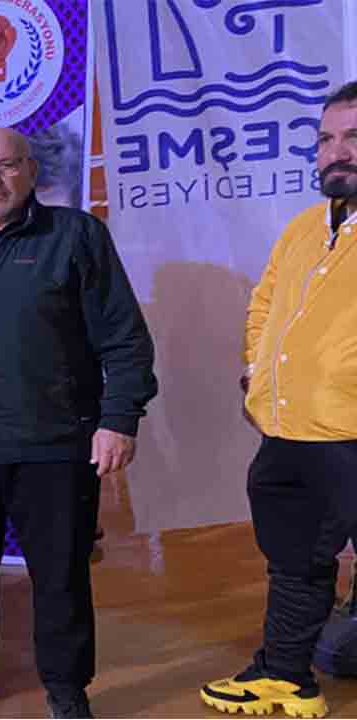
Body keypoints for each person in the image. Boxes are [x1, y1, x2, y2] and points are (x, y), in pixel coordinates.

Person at [0, 128, 156, 719]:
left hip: (55, 443)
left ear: (31, 171)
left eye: (6, 165)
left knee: (60, 576)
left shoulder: (76, 236)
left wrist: (119, 418)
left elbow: (124, 337)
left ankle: (66, 690)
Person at [198, 81, 357, 720]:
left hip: (350, 433)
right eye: (326, 139)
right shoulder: (303, 228)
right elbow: (265, 302)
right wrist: (258, 370)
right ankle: (285, 676)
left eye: (354, 138)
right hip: (288, 432)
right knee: (295, 561)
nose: (336, 152)